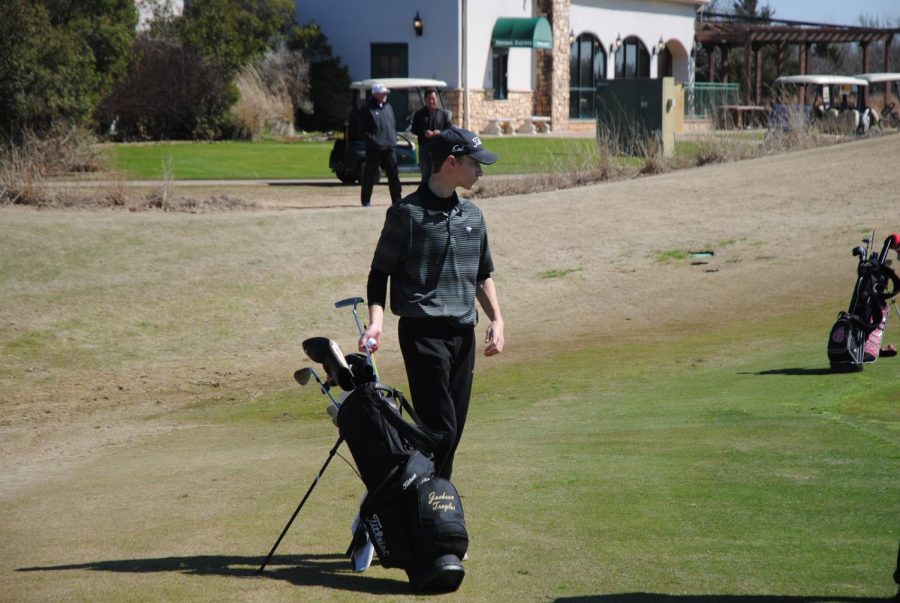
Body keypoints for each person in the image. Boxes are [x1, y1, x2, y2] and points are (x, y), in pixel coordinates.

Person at [359, 126, 505, 479]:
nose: (480, 171)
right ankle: (422, 499)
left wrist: (497, 320)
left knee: (448, 433)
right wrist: (377, 322)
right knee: (442, 430)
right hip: (423, 334)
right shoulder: (406, 214)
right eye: (475, 164)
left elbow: (482, 275)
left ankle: (432, 504)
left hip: (462, 336)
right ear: (451, 163)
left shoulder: (472, 216)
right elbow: (380, 273)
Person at [358, 83, 402, 207]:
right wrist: (373, 141)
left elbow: (393, 125)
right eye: (382, 93)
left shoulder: (388, 107)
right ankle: (366, 200)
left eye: (385, 93)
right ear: (374, 94)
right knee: (370, 175)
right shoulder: (367, 108)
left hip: (390, 147)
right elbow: (362, 130)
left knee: (393, 174)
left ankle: (397, 199)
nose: (385, 95)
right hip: (374, 148)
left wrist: (393, 137)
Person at [410, 88, 452, 184]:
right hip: (424, 147)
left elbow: (450, 129)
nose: (431, 101)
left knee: (439, 173)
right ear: (425, 100)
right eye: (429, 99)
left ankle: (439, 196)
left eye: (433, 98)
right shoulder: (419, 114)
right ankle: (425, 196)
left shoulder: (444, 114)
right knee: (425, 174)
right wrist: (424, 132)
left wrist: (440, 132)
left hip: (439, 148)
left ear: (436, 99)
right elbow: (414, 130)